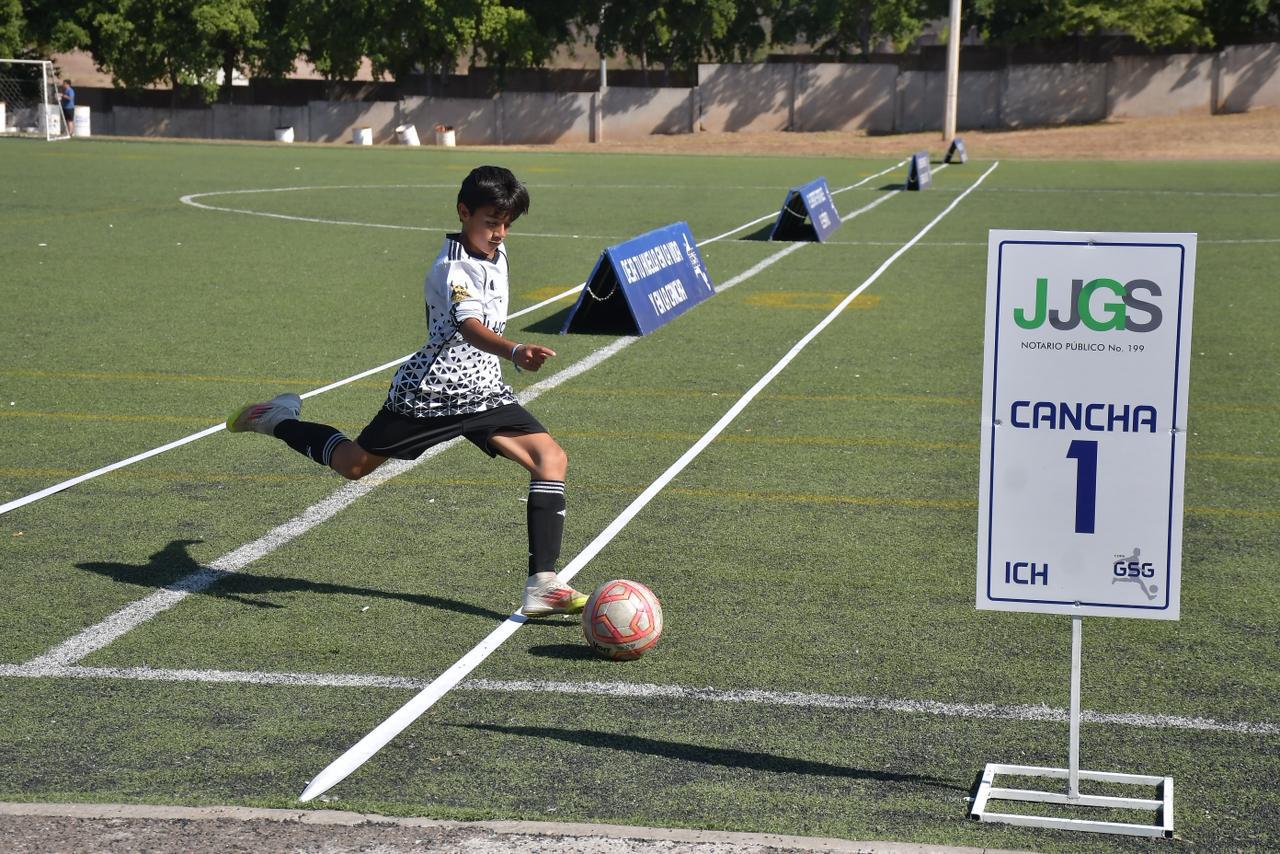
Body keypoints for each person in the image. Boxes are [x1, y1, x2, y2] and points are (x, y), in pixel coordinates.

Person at [226, 166, 587, 617]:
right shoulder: (451, 268)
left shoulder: (498, 254)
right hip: (431, 395)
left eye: (507, 223)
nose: (500, 233)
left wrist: (504, 359)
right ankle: (276, 419)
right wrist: (514, 350)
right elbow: (469, 326)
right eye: (491, 221)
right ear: (463, 212)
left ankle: (542, 582)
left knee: (550, 458)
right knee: (354, 465)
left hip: (484, 391)